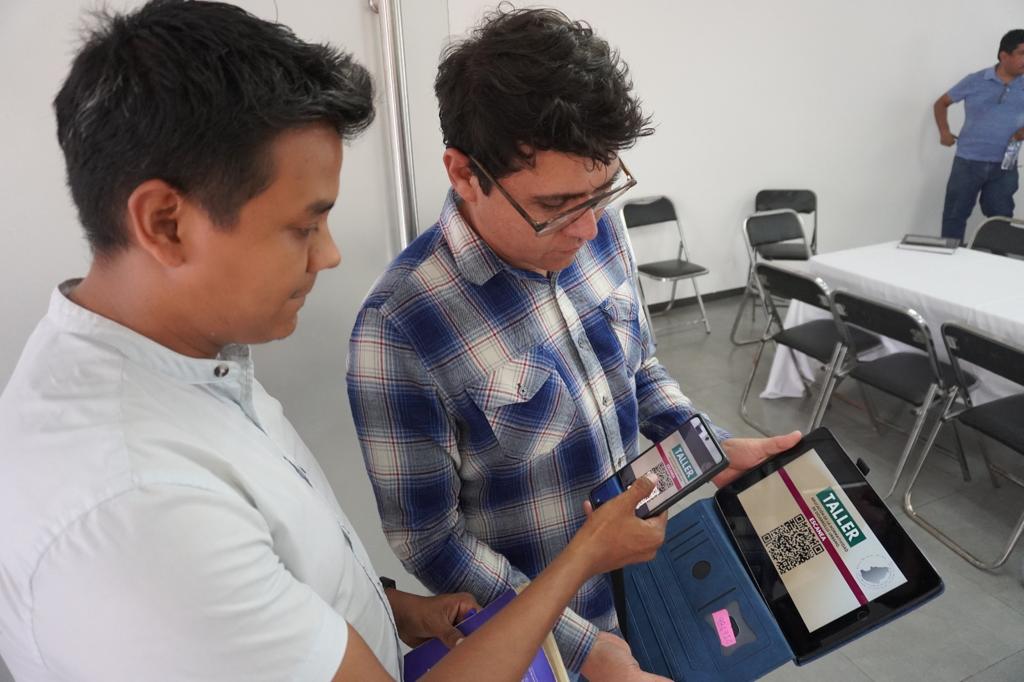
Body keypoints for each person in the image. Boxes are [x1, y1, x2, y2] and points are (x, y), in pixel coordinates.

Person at [0, 2, 668, 681]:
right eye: (303, 226)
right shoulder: (138, 509)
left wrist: (388, 607)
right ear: (165, 223)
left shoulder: (198, 368)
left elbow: (284, 571)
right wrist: (582, 564)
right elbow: (425, 539)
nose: (330, 255)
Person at [347, 7, 800, 680]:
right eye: (555, 206)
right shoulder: (400, 328)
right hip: (550, 642)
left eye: (602, 191)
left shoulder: (598, 229)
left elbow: (639, 369)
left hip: (657, 576)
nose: (588, 229)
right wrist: (583, 647)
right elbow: (431, 540)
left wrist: (706, 446)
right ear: (465, 174)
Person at [934, 29, 1024, 243]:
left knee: (1001, 219)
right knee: (954, 216)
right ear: (1004, 56)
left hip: (1005, 165)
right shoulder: (975, 80)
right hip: (967, 162)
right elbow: (941, 103)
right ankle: (949, 258)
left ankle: (997, 260)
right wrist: (944, 131)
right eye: (1022, 54)